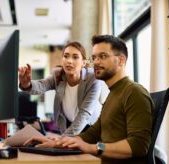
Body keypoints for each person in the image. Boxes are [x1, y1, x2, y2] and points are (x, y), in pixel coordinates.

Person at [24, 35, 153, 164]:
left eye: (102, 56)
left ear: (121, 61)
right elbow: (91, 134)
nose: (96, 62)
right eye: (94, 57)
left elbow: (139, 145)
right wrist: (57, 142)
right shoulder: (112, 95)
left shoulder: (134, 92)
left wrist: (94, 147)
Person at [18, 41, 104, 136]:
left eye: (75, 57)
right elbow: (42, 85)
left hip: (94, 127)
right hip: (69, 125)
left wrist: (62, 140)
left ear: (83, 62)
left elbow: (85, 113)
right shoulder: (58, 75)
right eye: (66, 56)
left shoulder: (93, 79)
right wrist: (26, 84)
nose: (69, 61)